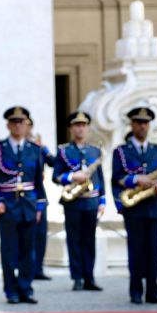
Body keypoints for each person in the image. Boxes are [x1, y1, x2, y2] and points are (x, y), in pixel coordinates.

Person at [0, 106, 46, 305]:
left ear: (27, 124)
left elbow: (38, 182)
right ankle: (10, 290)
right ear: (8, 125)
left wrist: (39, 207)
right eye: (14, 122)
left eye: (22, 122)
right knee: (9, 250)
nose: (18, 125)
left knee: (29, 250)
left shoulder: (35, 149)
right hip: (7, 203)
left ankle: (26, 289)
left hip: (28, 204)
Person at [112, 106, 157, 305]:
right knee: (135, 251)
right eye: (138, 123)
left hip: (154, 207)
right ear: (132, 125)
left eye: (145, 123)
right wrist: (136, 179)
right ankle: (135, 291)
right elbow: (117, 178)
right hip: (134, 208)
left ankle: (153, 291)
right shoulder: (121, 151)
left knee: (154, 251)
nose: (142, 126)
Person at [52, 111, 106, 291]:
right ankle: (77, 278)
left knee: (89, 240)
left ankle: (89, 277)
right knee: (74, 240)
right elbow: (56, 176)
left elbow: (100, 177)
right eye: (77, 125)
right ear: (71, 128)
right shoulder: (64, 150)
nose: (80, 128)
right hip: (72, 201)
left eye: (83, 125)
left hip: (91, 201)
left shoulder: (95, 151)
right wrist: (72, 176)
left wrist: (102, 200)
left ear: (88, 128)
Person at [28, 116, 56, 281]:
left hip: (39, 195)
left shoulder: (39, 148)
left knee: (40, 234)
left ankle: (38, 268)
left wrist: (45, 150)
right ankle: (26, 267)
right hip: (23, 195)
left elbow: (53, 162)